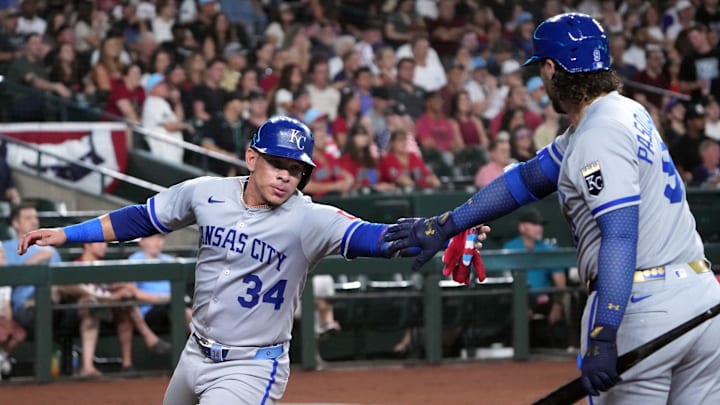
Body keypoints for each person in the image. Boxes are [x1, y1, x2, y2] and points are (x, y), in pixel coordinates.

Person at [384, 13, 720, 403]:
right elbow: (526, 180)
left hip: (643, 307)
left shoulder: (597, 133)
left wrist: (604, 331)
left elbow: (620, 234)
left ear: (550, 68)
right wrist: (444, 225)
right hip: (700, 301)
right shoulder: (623, 113)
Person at [17, 116, 421, 404]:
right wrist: (68, 234)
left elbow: (376, 237)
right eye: (277, 163)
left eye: (296, 170)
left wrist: (442, 229)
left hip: (251, 367)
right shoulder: (205, 192)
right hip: (195, 354)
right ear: (251, 159)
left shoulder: (309, 218)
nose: (286, 175)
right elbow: (141, 217)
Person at [502, 209, 567, 343]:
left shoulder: (548, 249)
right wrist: (521, 305)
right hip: (517, 299)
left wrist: (558, 305)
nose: (539, 228)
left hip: (544, 300)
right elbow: (505, 281)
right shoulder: (510, 248)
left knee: (558, 327)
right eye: (534, 224)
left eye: (540, 224)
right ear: (522, 227)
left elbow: (560, 281)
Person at [127, 234, 192, 330]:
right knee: (179, 310)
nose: (156, 242)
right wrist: (161, 298)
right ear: (142, 241)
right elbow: (134, 293)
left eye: (160, 238)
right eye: (152, 238)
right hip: (150, 310)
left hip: (175, 304)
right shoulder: (134, 260)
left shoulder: (170, 260)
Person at [0, 245, 27, 379]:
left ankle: (2, 357)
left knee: (19, 334)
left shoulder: (6, 278)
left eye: (4, 257)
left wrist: (8, 323)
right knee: (3, 335)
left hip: (3, 318)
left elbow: (6, 306)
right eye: (2, 257)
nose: (4, 260)